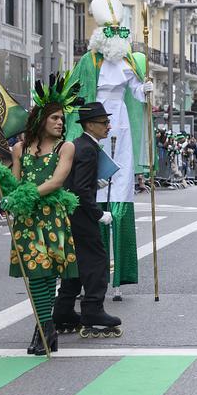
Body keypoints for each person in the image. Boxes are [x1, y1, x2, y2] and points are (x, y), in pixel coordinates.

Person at [64, 0, 153, 301]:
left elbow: (138, 93)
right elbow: (73, 98)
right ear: (101, 34)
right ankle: (91, 274)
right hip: (94, 128)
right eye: (111, 32)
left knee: (121, 193)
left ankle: (119, 276)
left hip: (122, 128)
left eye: (120, 32)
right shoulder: (88, 62)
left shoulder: (128, 60)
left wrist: (146, 89)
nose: (117, 37)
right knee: (94, 193)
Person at [0, 75, 82, 354]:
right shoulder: (19, 149)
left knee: (47, 271)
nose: (60, 123)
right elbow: (14, 184)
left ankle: (43, 329)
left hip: (51, 216)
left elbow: (56, 182)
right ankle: (45, 329)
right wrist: (0, 176)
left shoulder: (67, 147)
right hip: (28, 219)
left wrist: (24, 196)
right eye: (54, 118)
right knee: (35, 274)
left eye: (62, 119)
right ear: (41, 119)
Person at [53, 102, 122, 338]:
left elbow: (75, 183)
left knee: (77, 263)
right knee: (96, 261)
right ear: (90, 125)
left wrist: (95, 182)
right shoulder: (88, 149)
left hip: (72, 215)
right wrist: (98, 214)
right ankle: (93, 309)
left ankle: (62, 311)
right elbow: (81, 190)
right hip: (82, 216)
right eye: (104, 123)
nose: (108, 126)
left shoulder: (81, 145)